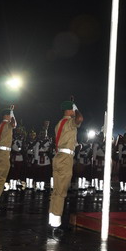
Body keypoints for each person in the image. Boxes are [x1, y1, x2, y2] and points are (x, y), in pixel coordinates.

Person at [48, 99, 83, 232]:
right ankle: (56, 224)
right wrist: (77, 108)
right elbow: (80, 118)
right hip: (65, 159)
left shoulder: (59, 123)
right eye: (73, 109)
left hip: (58, 157)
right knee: (61, 191)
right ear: (70, 110)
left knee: (56, 191)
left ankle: (52, 220)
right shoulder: (69, 122)